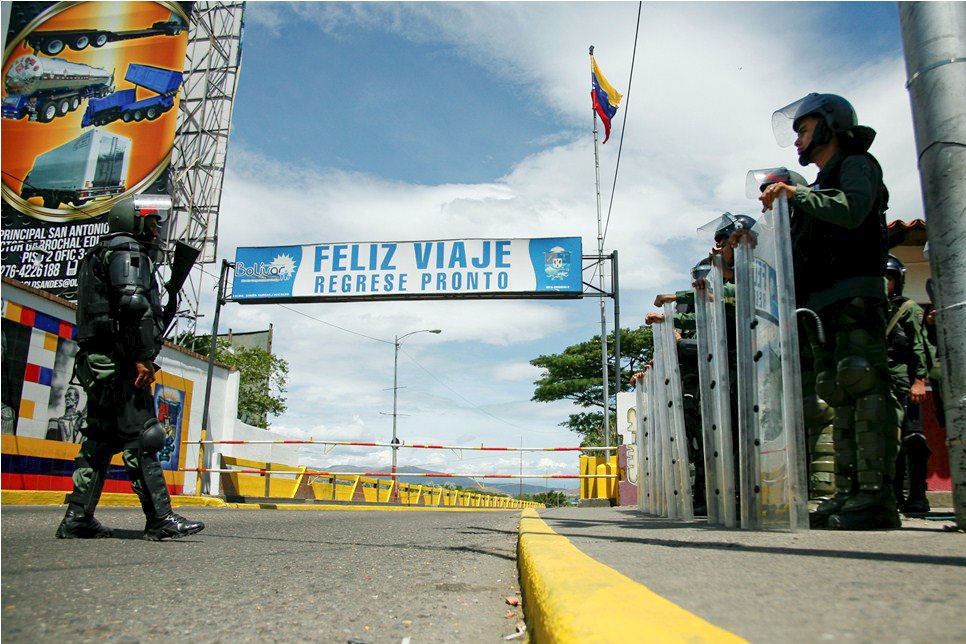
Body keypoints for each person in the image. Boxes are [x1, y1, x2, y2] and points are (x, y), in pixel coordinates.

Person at [761, 93, 898, 530]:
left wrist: (797, 196)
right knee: (836, 392)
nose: (797, 140)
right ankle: (847, 492)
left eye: (802, 129)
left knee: (863, 383)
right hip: (820, 303)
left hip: (856, 292)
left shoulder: (857, 165)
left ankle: (876, 496)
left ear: (827, 124)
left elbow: (852, 210)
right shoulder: (814, 187)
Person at [56, 196, 204, 540]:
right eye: (151, 224)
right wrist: (141, 356)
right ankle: (160, 518)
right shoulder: (127, 251)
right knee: (143, 435)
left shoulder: (98, 254)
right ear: (133, 222)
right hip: (121, 361)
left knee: (100, 440)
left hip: (98, 362)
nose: (155, 231)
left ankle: (77, 517)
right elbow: (133, 304)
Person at [884, 254, 933, 514]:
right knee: (890, 442)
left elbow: (919, 345)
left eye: (889, 278)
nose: (885, 283)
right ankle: (894, 496)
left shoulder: (909, 308)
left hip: (907, 383)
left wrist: (919, 381)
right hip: (886, 383)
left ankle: (917, 494)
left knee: (914, 440)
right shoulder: (878, 310)